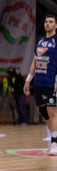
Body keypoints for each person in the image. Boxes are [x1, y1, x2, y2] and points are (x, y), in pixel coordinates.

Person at [24, 14, 57, 155]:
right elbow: (35, 60)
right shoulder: (40, 41)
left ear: (56, 25)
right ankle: (53, 141)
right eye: (46, 21)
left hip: (51, 81)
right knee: (45, 113)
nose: (48, 24)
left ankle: (55, 143)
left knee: (52, 112)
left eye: (51, 22)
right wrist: (28, 80)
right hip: (39, 82)